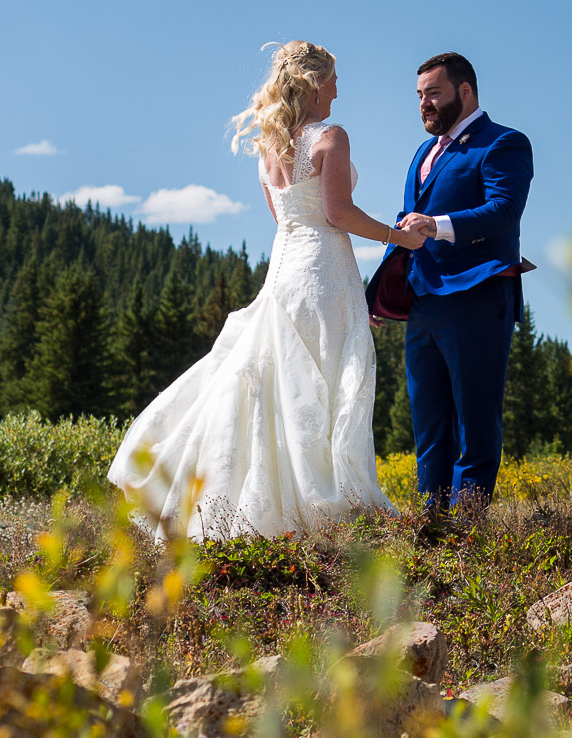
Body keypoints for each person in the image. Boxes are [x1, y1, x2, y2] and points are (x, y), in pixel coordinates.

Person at [109, 41, 425, 538]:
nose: (339, 90)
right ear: (315, 83)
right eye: (334, 80)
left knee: (277, 376)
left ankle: (264, 500)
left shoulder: (269, 147)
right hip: (323, 268)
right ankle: (325, 497)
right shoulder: (331, 137)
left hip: (286, 264)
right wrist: (399, 237)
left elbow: (284, 219)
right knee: (326, 371)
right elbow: (337, 213)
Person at [388, 51, 533, 508]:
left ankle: (467, 532)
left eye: (434, 93)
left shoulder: (503, 143)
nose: (424, 104)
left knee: (474, 417)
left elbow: (504, 210)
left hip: (478, 294)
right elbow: (408, 225)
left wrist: (435, 224)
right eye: (419, 96)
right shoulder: (423, 153)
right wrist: (383, 293)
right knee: (429, 424)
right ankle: (432, 528)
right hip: (423, 301)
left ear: (465, 91)